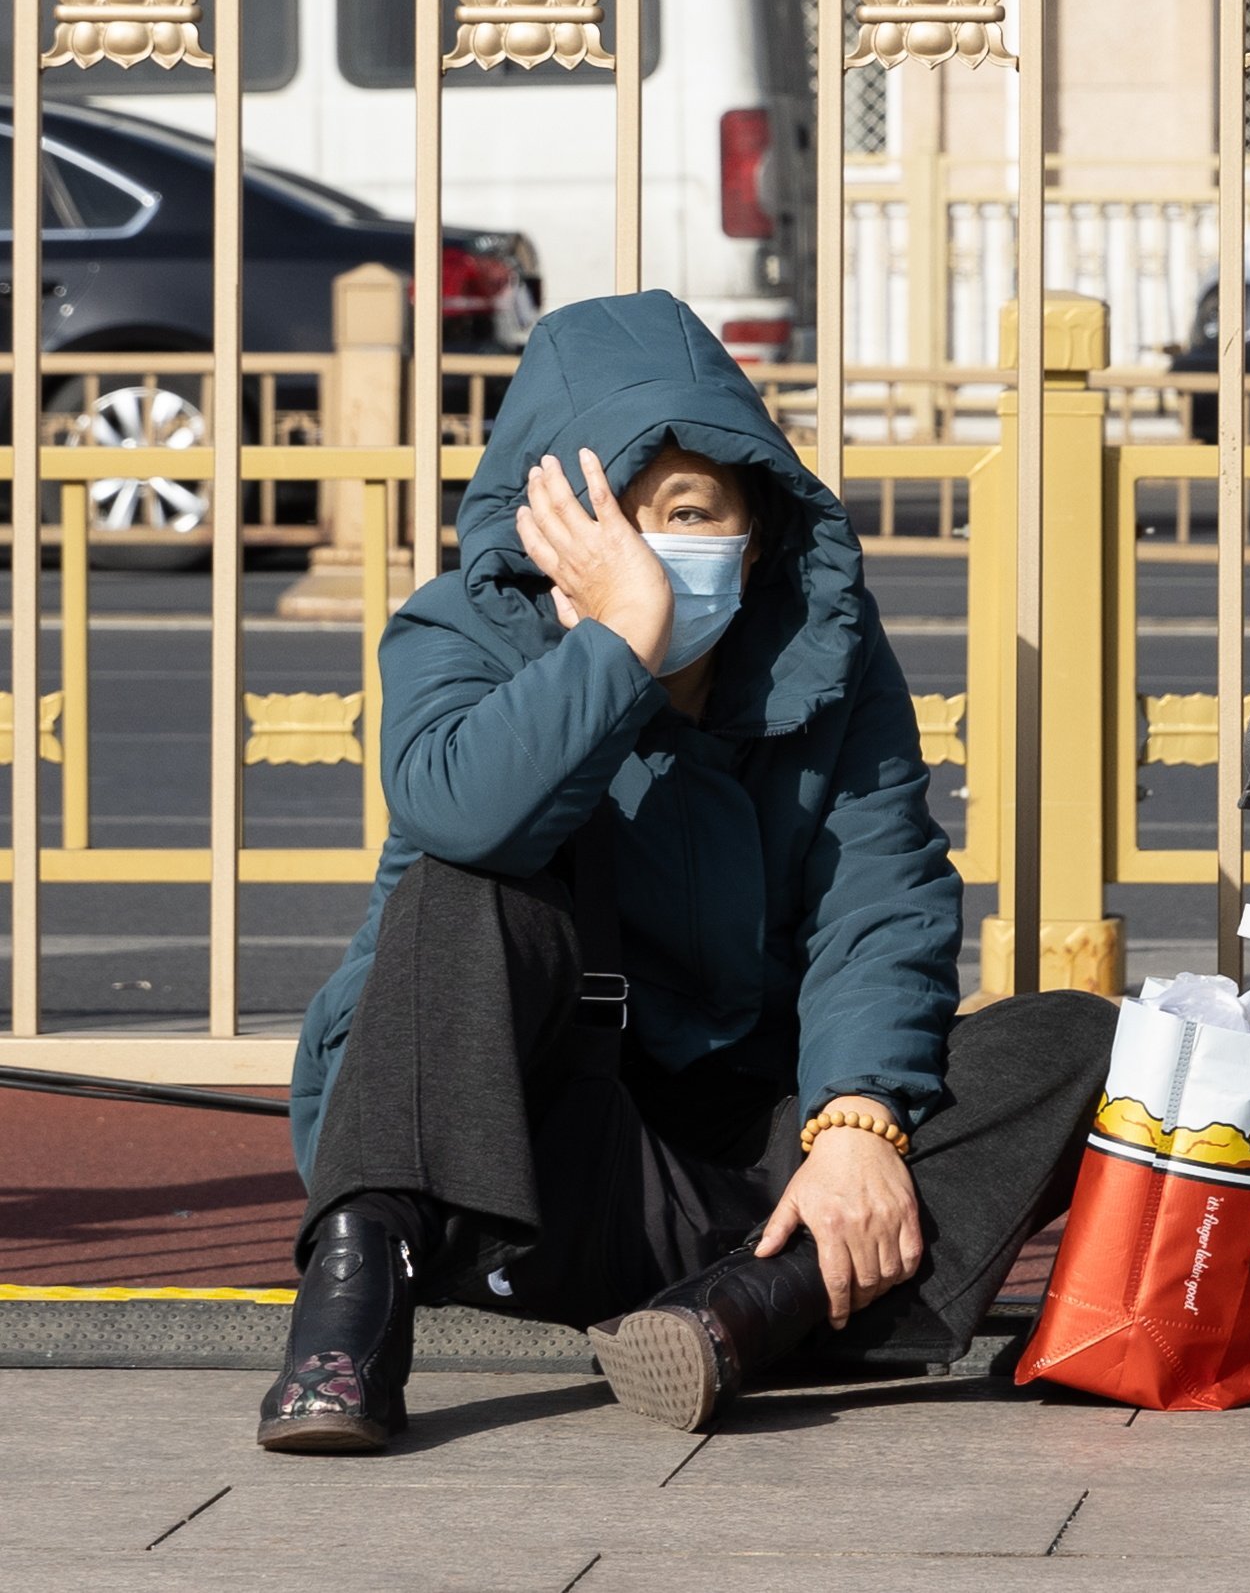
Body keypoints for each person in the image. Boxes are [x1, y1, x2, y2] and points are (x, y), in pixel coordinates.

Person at [263, 290, 1115, 1453]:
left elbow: (882, 890)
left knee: (1074, 1038)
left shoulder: (830, 653)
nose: (648, 541)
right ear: (546, 515)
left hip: (753, 1167)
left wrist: (855, 1116)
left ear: (756, 524)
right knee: (468, 886)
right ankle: (350, 1318)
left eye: (688, 509)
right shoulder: (460, 633)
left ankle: (745, 1314)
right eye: (611, 509)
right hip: (517, 1158)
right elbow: (462, 813)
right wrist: (618, 641)